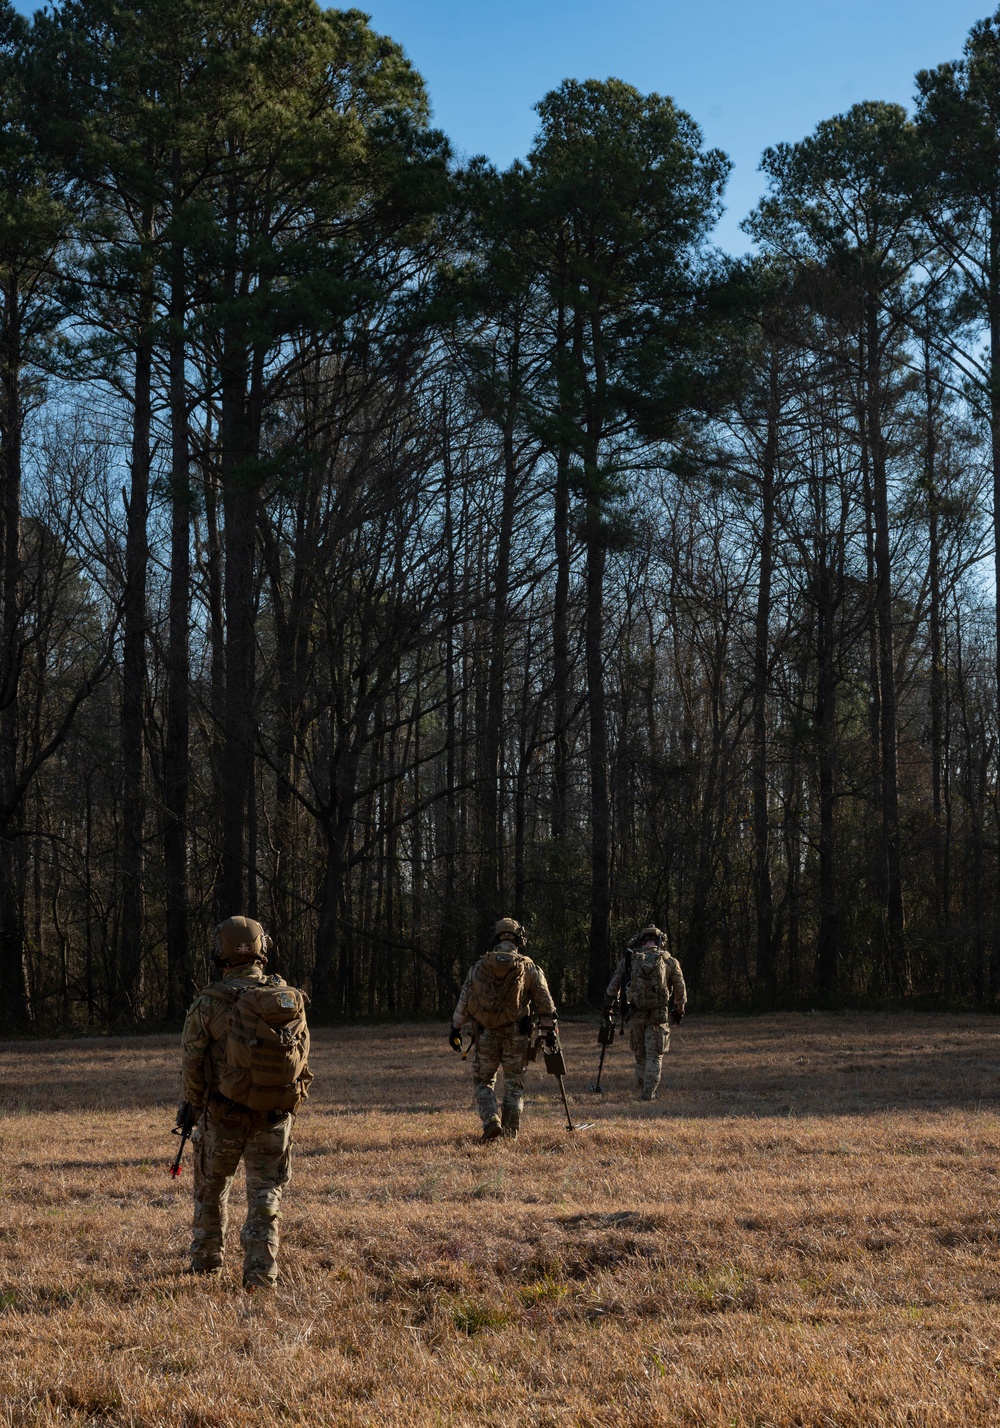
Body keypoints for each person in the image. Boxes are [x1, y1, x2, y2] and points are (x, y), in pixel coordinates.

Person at [178, 915, 312, 1290]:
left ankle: (206, 1263)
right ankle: (260, 1273)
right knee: (266, 1193)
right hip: (274, 1114)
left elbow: (192, 1061)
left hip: (223, 1113)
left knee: (211, 1187)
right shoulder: (286, 999)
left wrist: (196, 1104)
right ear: (261, 949)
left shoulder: (208, 1003)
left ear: (220, 952)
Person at [450, 917, 557, 1142]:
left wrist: (455, 1028)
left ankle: (491, 1120)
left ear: (496, 937)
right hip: (517, 1036)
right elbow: (545, 1002)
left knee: (483, 1081)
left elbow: (464, 997)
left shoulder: (480, 966)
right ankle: (510, 1137)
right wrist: (548, 1030)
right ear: (519, 938)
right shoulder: (527, 966)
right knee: (514, 1085)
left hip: (485, 1034)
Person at [604, 923, 686, 1101]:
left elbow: (614, 985)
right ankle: (648, 1094)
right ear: (659, 941)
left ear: (642, 941)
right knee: (655, 1055)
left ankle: (643, 1087)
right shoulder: (669, 961)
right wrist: (679, 1009)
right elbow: (680, 990)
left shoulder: (630, 960)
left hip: (636, 1013)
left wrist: (609, 1006)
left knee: (640, 1054)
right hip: (659, 1015)